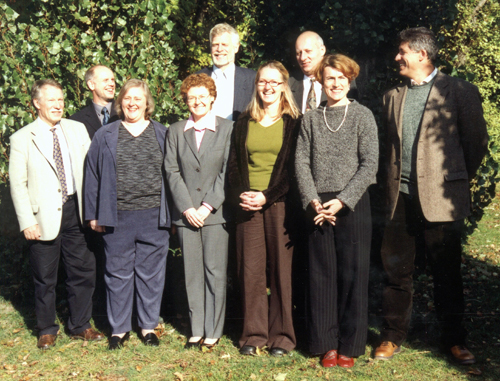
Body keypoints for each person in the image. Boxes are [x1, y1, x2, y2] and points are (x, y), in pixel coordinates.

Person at [374, 27, 488, 365]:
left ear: (422, 55)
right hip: (400, 197)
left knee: (446, 272)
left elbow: (475, 143)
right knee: (396, 271)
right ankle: (392, 337)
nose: (398, 57)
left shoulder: (459, 91)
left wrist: (452, 178)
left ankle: (454, 341)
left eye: (403, 52)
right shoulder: (392, 96)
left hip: (442, 196)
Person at [295, 54, 378, 368]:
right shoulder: (310, 119)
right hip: (318, 206)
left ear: (350, 79)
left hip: (352, 206)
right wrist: (312, 199)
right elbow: (301, 163)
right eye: (330, 78)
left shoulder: (363, 116)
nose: (336, 83)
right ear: (320, 80)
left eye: (342, 78)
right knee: (321, 276)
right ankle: (325, 344)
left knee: (352, 274)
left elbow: (370, 165)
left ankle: (350, 344)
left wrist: (343, 200)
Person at [9, 79, 103, 349]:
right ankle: (46, 329)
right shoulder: (22, 138)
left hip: (77, 211)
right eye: (51, 100)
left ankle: (80, 325)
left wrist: (94, 211)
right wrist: (27, 221)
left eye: (60, 99)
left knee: (83, 272)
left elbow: (92, 173)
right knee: (45, 277)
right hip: (43, 217)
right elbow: (18, 184)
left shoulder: (77, 129)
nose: (58, 104)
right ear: (37, 103)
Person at [85, 79, 170, 350]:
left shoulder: (163, 133)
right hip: (117, 216)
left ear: (147, 103)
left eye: (138, 98)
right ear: (120, 103)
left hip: (154, 215)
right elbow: (92, 176)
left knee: (151, 274)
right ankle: (119, 329)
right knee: (117, 273)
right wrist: (93, 214)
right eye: (127, 98)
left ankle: (147, 326)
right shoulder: (106, 134)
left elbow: (174, 176)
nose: (132, 103)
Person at [227, 60, 301, 357]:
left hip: (280, 204)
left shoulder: (295, 122)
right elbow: (233, 165)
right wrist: (242, 194)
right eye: (262, 82)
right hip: (247, 204)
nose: (268, 87)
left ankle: (282, 336)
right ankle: (254, 335)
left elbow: (293, 170)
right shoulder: (244, 122)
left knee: (282, 272)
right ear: (255, 86)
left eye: (274, 82)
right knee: (251, 271)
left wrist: (267, 196)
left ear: (284, 87)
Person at [165, 73, 233, 350]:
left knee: (214, 271)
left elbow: (227, 172)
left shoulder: (228, 129)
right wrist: (187, 208)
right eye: (191, 97)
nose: (197, 101)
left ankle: (213, 330)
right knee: (191, 272)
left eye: (202, 96)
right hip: (186, 215)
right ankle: (196, 330)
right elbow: (171, 170)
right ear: (185, 100)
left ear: (212, 98)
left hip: (215, 215)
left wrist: (206, 207)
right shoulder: (175, 131)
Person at [198, 23, 256, 121]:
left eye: (224, 44)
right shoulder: (198, 78)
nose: (219, 49)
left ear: (236, 47)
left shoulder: (252, 79)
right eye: (215, 45)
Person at [289, 31, 358, 113]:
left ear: (322, 50)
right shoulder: (288, 83)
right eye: (298, 53)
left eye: (308, 51)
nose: (302, 57)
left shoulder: (343, 82)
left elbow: (353, 113)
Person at [69, 65, 119, 139]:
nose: (111, 84)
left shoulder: (125, 114)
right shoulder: (77, 121)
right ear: (91, 85)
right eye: (105, 80)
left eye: (112, 80)